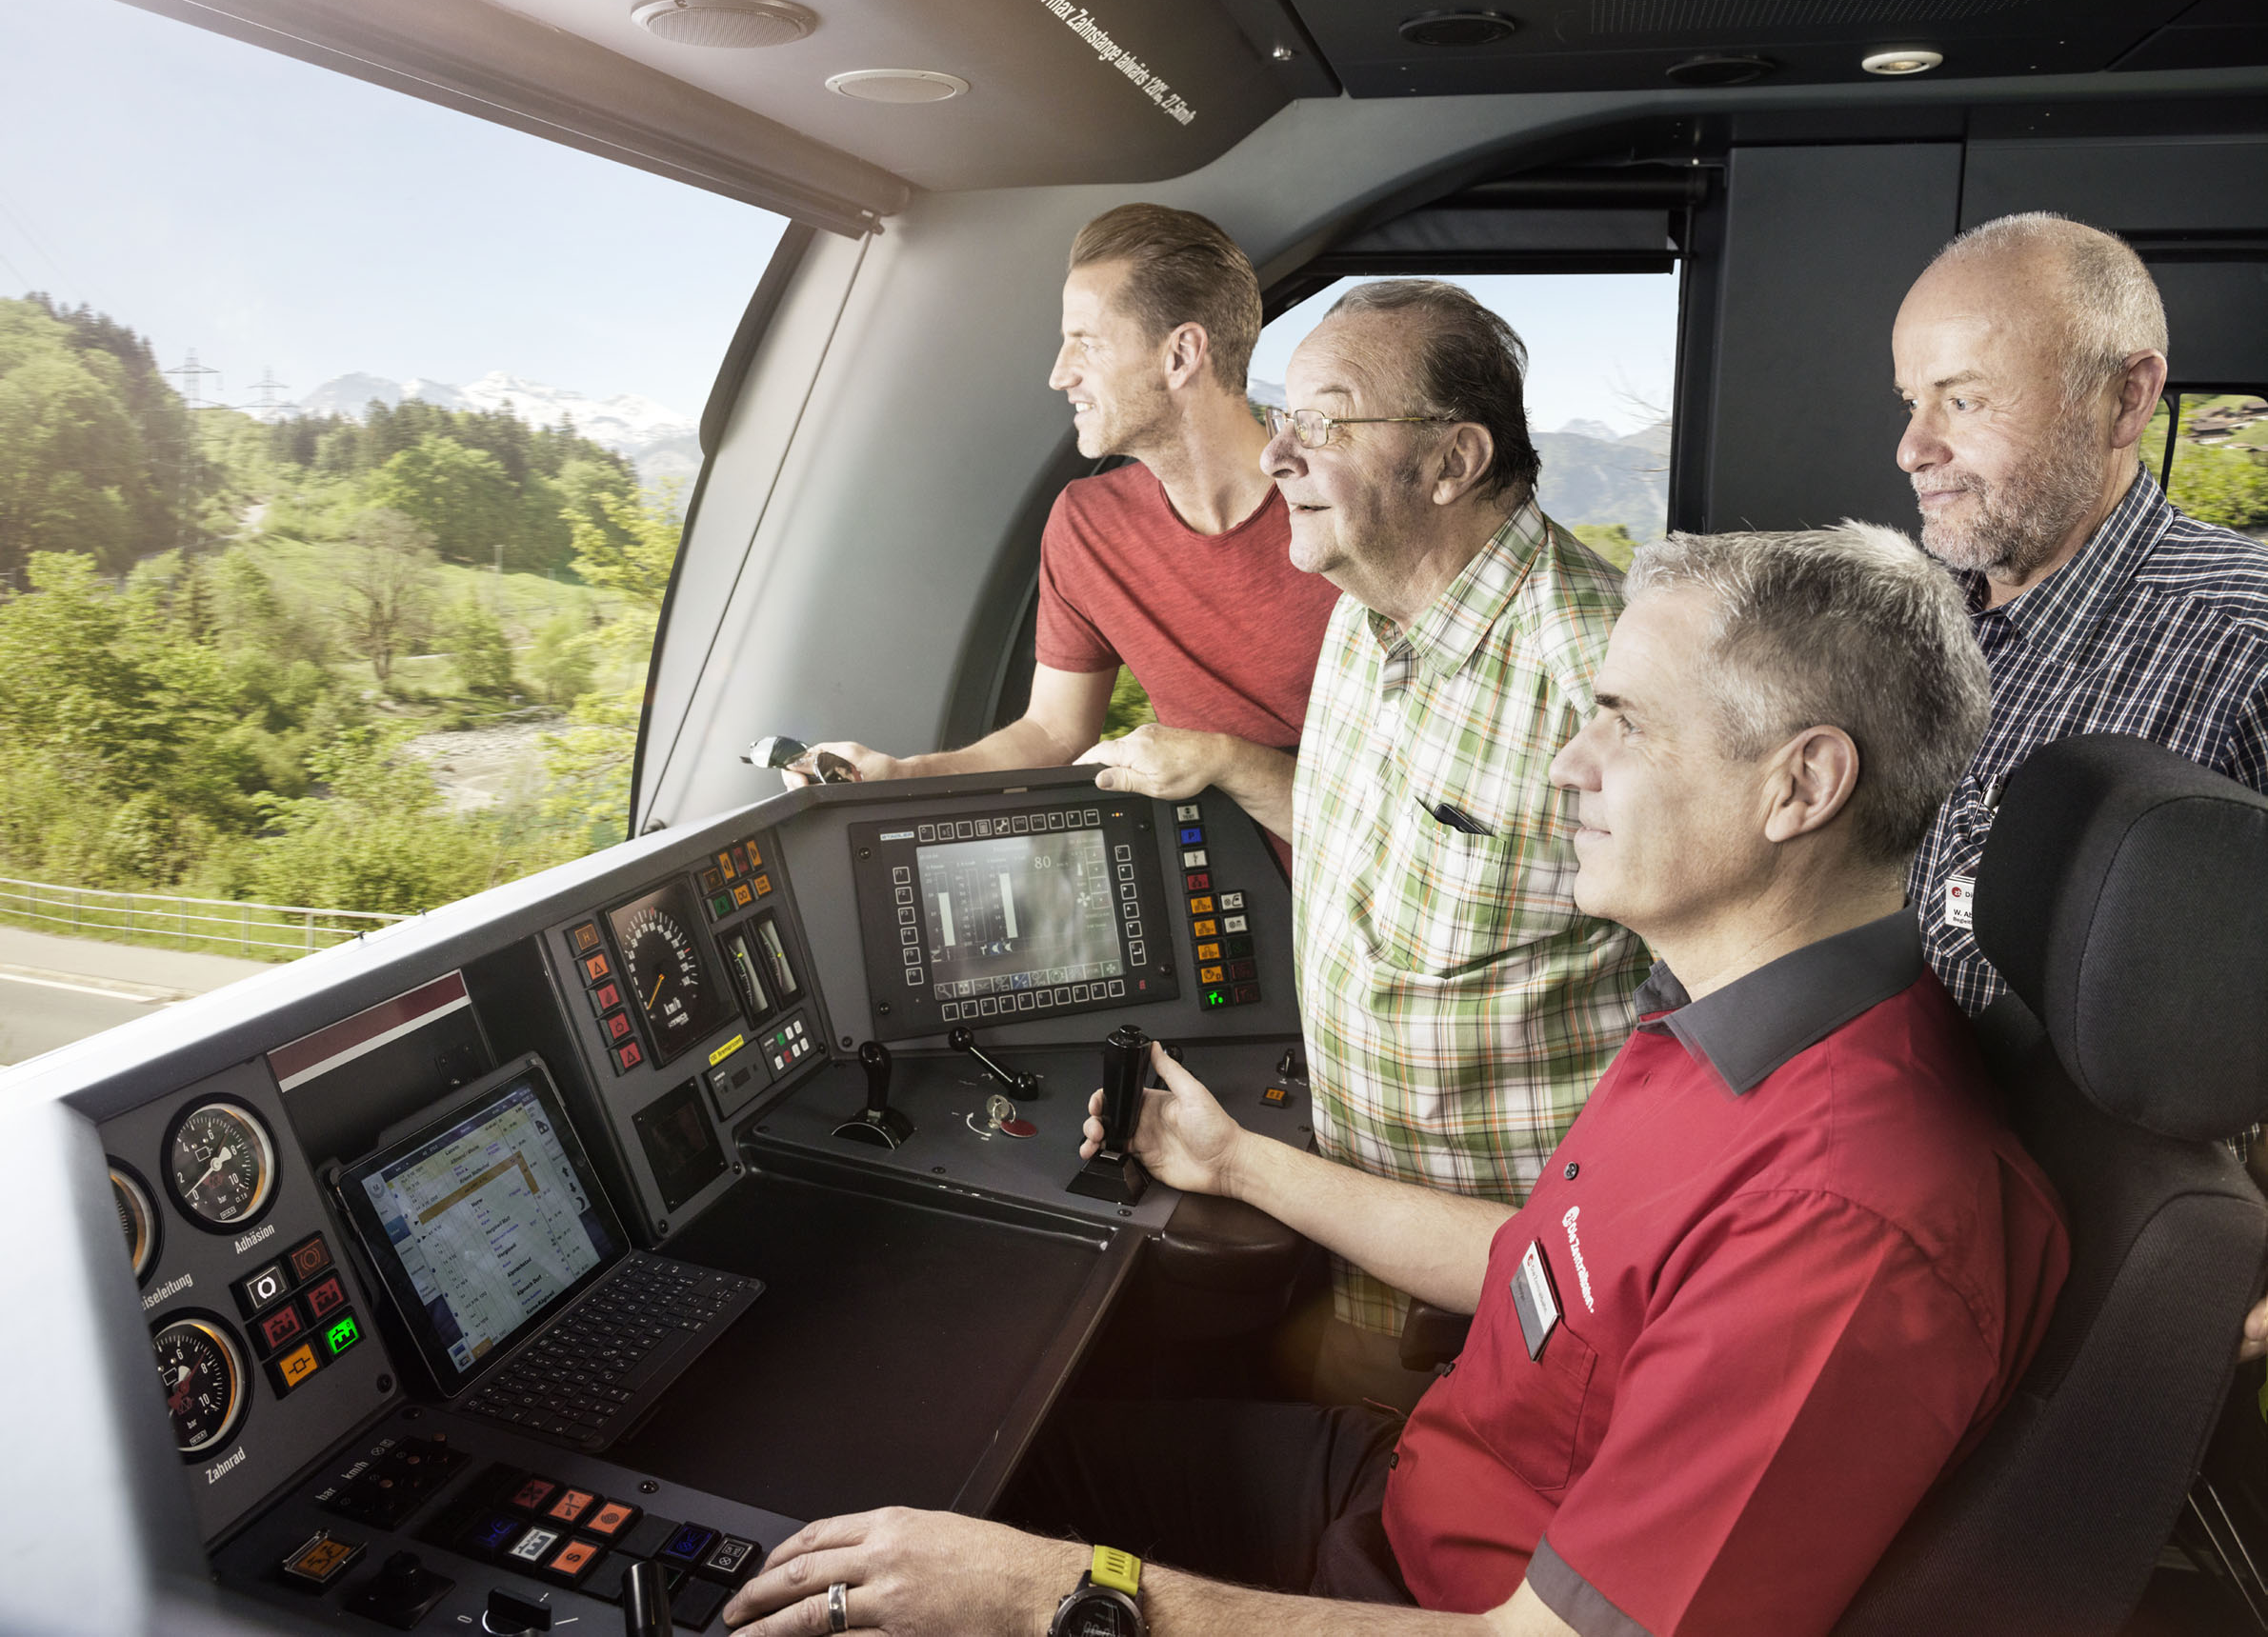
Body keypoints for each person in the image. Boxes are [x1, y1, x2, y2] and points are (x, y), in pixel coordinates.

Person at [720, 525, 2070, 1637]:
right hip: (1402, 1502)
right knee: (917, 1489)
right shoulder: (1724, 1019)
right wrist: (1235, 1161)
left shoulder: (1852, 1219)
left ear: (1802, 784)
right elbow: (1545, 1268)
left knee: (924, 1572)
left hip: (1434, 1602)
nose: (1565, 767)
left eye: (1621, 727)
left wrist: (1052, 1598)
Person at [1250, 280, 1647, 1398]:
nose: (1277, 451)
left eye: (1322, 420)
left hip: (1522, 1324)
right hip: (1367, 1272)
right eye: (1280, 415)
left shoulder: (1603, 672)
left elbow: (1722, 1027)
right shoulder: (1359, 619)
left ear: (1448, 460)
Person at [1889, 212, 2268, 1358]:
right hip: (1878, 1233)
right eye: (1907, 401)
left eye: (1961, 399)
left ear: (2123, 400)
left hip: (2086, 1304)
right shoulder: (1911, 623)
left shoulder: (2245, 640)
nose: (1911, 446)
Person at [787, 204, 1339, 861]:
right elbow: (1051, 730)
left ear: (1181, 353)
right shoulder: (1087, 526)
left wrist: (1223, 759)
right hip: (1230, 906)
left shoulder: (1341, 507)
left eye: (1086, 341)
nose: (1059, 372)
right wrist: (900, 776)